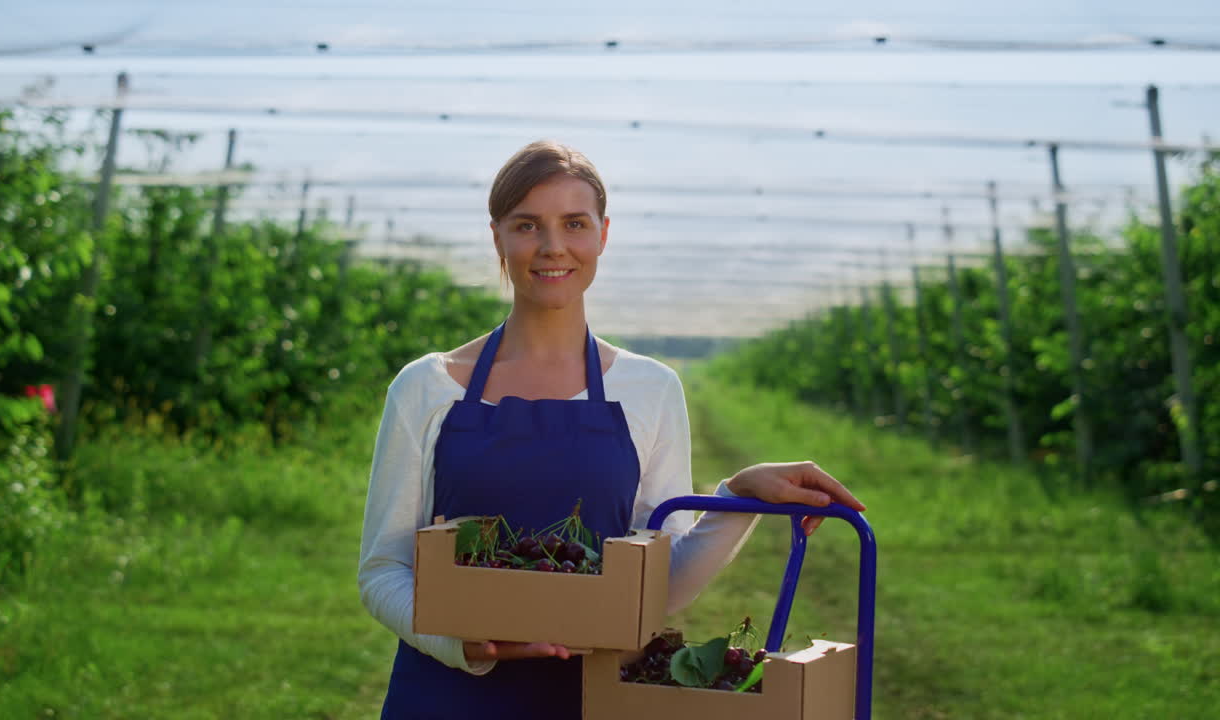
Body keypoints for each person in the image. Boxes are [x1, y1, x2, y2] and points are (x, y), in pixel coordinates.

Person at [357, 140, 866, 719]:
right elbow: (383, 570)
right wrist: (464, 645)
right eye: (527, 225)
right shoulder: (428, 387)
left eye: (573, 223)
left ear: (602, 234)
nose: (552, 247)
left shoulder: (649, 389)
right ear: (496, 235)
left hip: (591, 697)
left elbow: (656, 593)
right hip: (446, 695)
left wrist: (736, 499)